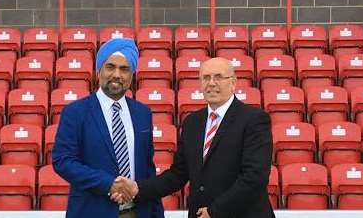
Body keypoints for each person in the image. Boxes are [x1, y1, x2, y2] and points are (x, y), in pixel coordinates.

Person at [112, 57, 275, 218]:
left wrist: (214, 212)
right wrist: (137, 188)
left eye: (218, 77)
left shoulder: (254, 119)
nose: (211, 83)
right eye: (206, 78)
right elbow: (178, 174)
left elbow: (254, 177)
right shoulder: (192, 122)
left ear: (233, 83)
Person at [52, 38, 164, 218]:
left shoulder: (143, 114)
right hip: (91, 211)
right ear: (99, 70)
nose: (117, 74)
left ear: (132, 74)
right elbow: (63, 161)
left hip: (138, 212)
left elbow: (148, 170)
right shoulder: (75, 112)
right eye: (110, 67)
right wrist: (108, 183)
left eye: (124, 69)